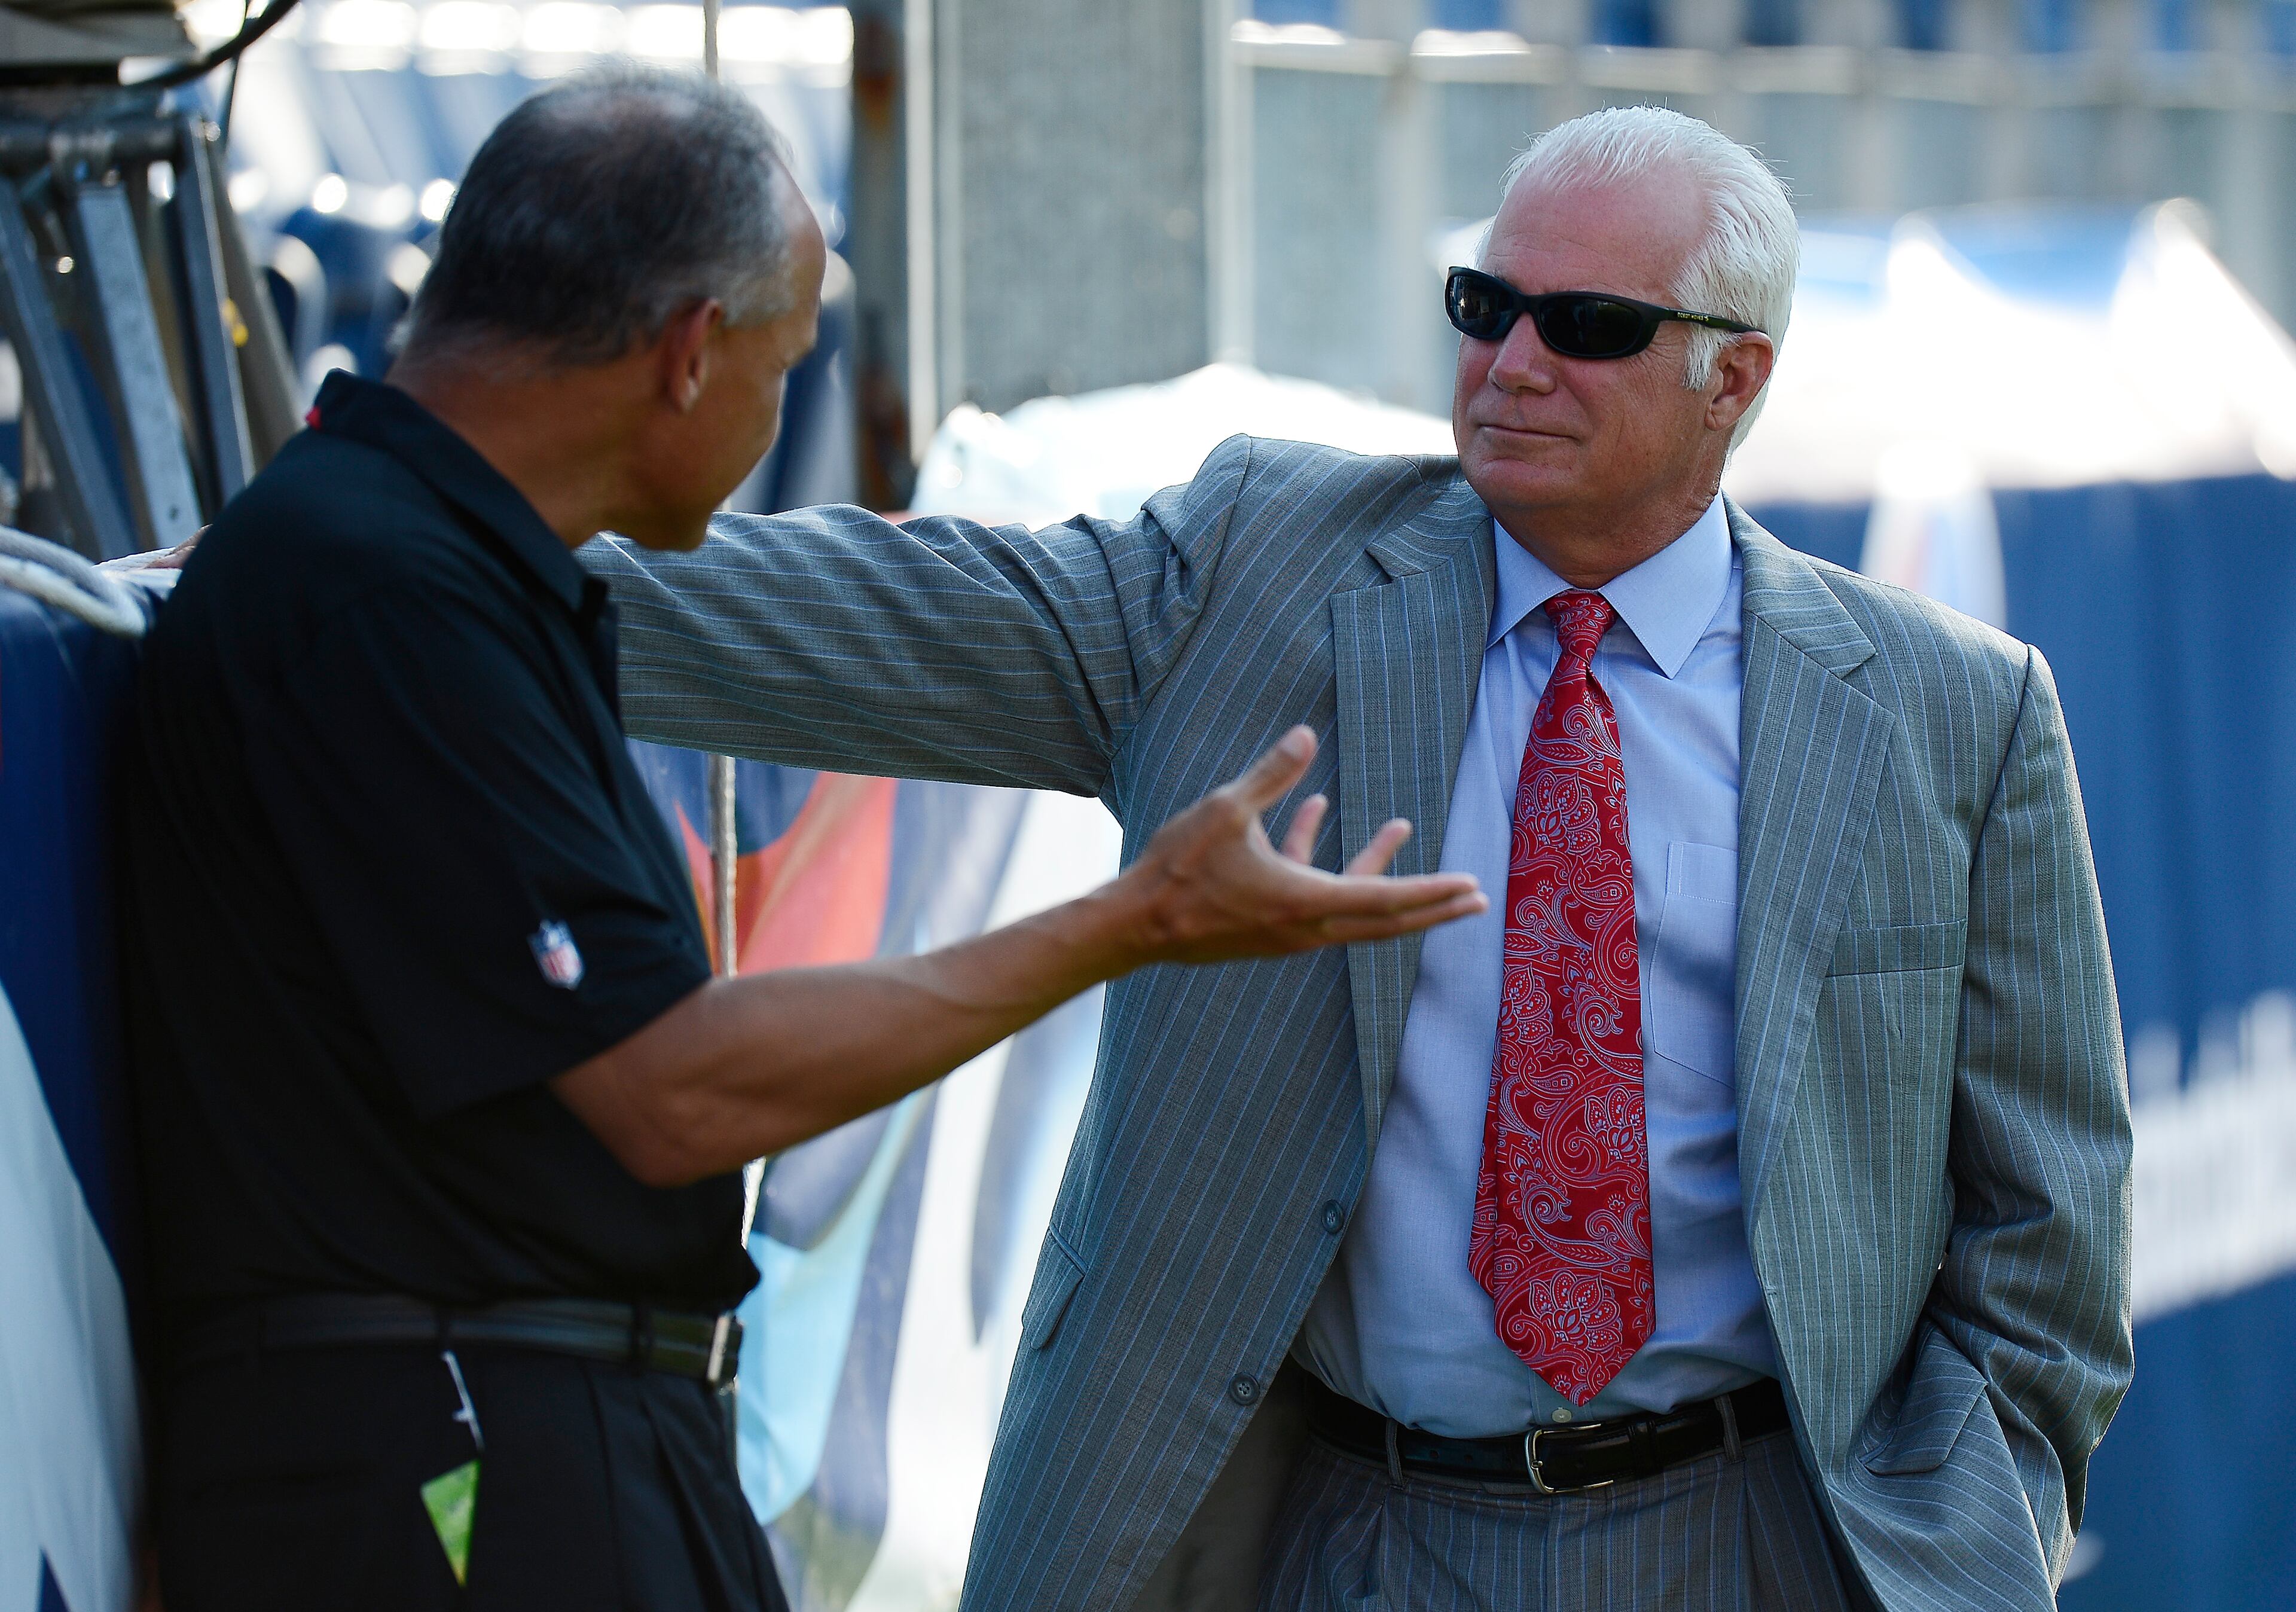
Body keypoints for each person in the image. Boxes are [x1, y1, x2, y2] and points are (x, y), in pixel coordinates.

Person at [584, 105, 2132, 1611]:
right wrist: (446, 564)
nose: (1512, 364)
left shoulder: (1954, 716)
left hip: (1764, 1542)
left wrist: (1969, 1538)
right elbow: (866, 620)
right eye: (1486, 306)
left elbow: (2045, 1237)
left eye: (1585, 323)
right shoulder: (1254, 574)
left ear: (1738, 376)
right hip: (1359, 1534)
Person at [119, 65, 1483, 1612]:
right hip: (464, 1456)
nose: (787, 409)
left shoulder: (424, 570)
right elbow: (675, 1092)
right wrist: (1138, 921)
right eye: (789, 359)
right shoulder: (382, 594)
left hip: (527, 1427)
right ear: (695, 354)